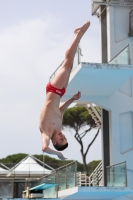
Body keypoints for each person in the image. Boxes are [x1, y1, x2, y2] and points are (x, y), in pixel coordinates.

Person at [39, 21, 90, 160]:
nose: (62, 136)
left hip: (53, 89)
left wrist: (58, 154)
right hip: (60, 92)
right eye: (65, 138)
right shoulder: (59, 125)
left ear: (54, 142)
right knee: (68, 63)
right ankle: (77, 35)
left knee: (68, 63)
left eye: (61, 140)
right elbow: (61, 110)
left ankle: (78, 34)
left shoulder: (46, 133)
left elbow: (44, 148)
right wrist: (73, 99)